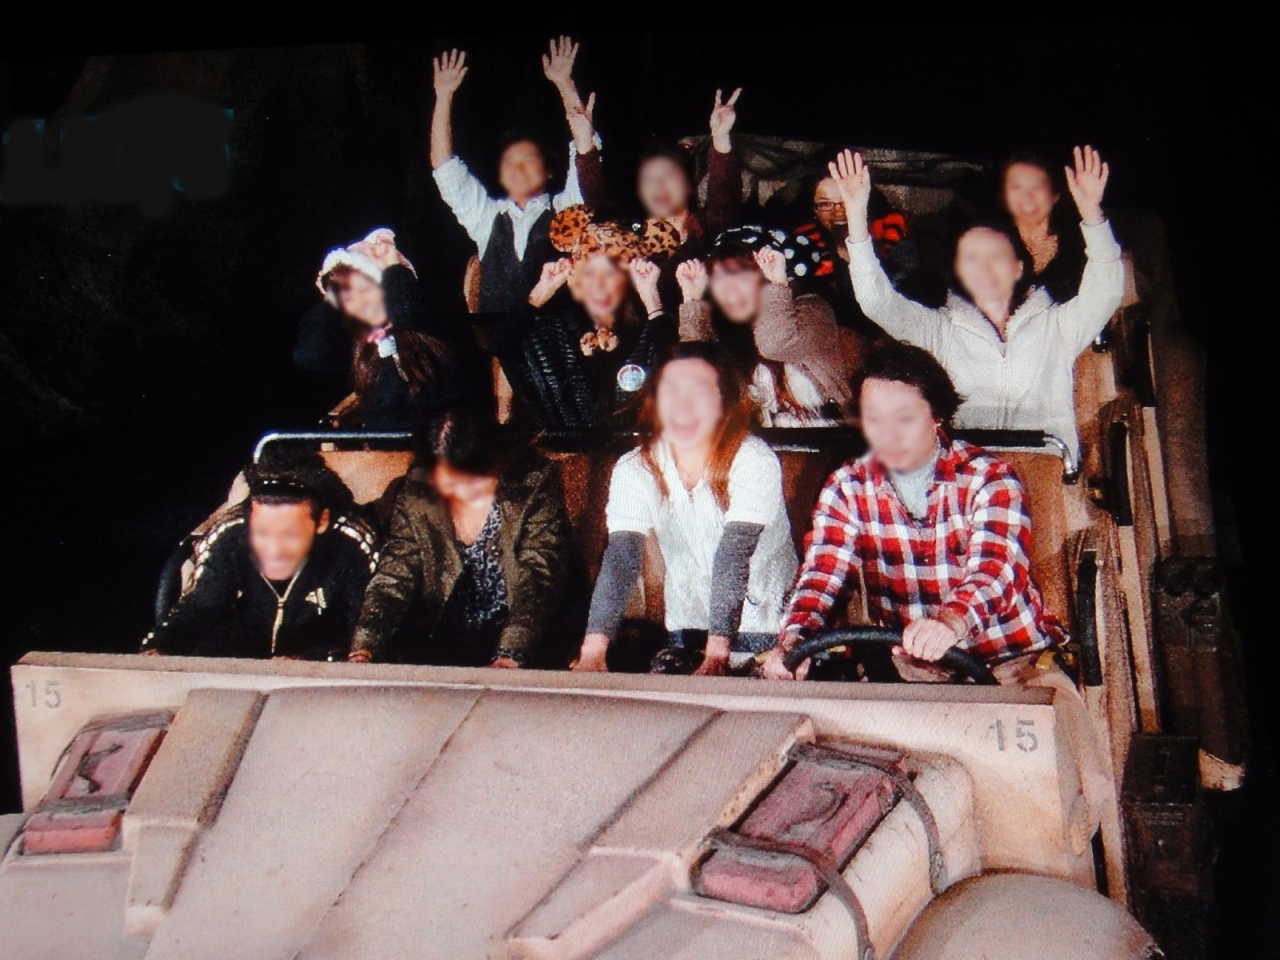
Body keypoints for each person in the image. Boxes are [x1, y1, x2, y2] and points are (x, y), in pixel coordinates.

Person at [763, 339, 1068, 681]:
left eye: (904, 418)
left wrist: (950, 622)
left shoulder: (990, 478)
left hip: (1013, 659)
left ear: (937, 416)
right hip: (916, 669)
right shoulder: (847, 486)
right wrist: (795, 640)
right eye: (874, 418)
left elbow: (995, 570)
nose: (887, 435)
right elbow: (823, 575)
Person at [828, 146, 1124, 460]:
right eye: (971, 258)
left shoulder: (1059, 325)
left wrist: (1092, 214)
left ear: (1018, 267)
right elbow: (877, 302)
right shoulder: (939, 330)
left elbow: (1106, 290)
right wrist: (856, 217)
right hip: (968, 477)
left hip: (1046, 470)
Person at [575, 342, 798, 675]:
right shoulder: (635, 468)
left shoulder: (754, 459)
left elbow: (734, 554)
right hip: (688, 632)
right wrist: (593, 653)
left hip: (769, 636)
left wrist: (717, 656)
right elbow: (622, 557)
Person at [349, 406, 579, 668]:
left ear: (493, 462)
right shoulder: (420, 487)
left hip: (530, 644)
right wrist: (364, 647)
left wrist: (511, 654)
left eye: (467, 481)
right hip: (441, 643)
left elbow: (538, 575)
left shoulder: (534, 483)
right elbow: (396, 573)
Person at [141, 452, 377, 661]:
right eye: (262, 532)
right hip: (246, 669)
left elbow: (369, 633)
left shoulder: (351, 544)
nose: (274, 550)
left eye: (290, 534)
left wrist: (313, 660)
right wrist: (159, 648)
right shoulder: (231, 534)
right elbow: (200, 607)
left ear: (321, 521)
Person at [430, 40, 604, 314]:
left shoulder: (564, 210)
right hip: (497, 339)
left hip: (555, 339)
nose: (519, 168)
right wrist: (443, 96)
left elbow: (586, 156)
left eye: (529, 160)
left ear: (548, 170)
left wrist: (564, 83)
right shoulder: (486, 219)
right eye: (510, 162)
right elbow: (444, 168)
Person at [492, 206, 680, 432]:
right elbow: (504, 345)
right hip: (568, 447)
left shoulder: (650, 326)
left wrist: (652, 298)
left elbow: (677, 367)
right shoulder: (559, 328)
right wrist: (539, 294)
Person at [579, 89, 744, 307]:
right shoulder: (632, 233)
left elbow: (725, 193)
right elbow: (597, 202)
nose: (658, 186)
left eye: (668, 176)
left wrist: (721, 139)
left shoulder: (707, 230)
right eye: (648, 179)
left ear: (689, 186)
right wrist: (584, 142)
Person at [675, 229, 855, 426]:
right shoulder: (735, 332)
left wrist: (778, 284)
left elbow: (774, 344)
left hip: (830, 439)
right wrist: (692, 300)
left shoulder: (813, 309)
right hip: (769, 442)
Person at [294, 228, 465, 430]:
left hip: (443, 444)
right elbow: (310, 354)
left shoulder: (430, 321)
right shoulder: (363, 346)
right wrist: (329, 300)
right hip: (387, 448)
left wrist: (391, 267)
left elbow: (404, 310)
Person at [790, 171, 945, 334]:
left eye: (846, 200)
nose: (838, 212)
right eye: (825, 204)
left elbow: (914, 304)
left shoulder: (893, 234)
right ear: (814, 210)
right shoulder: (805, 250)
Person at [999, 150, 1140, 308]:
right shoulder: (991, 244)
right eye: (1016, 187)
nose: (1026, 196)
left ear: (1055, 195)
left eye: (1037, 186)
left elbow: (1115, 293)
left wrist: (1091, 209)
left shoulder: (1086, 242)